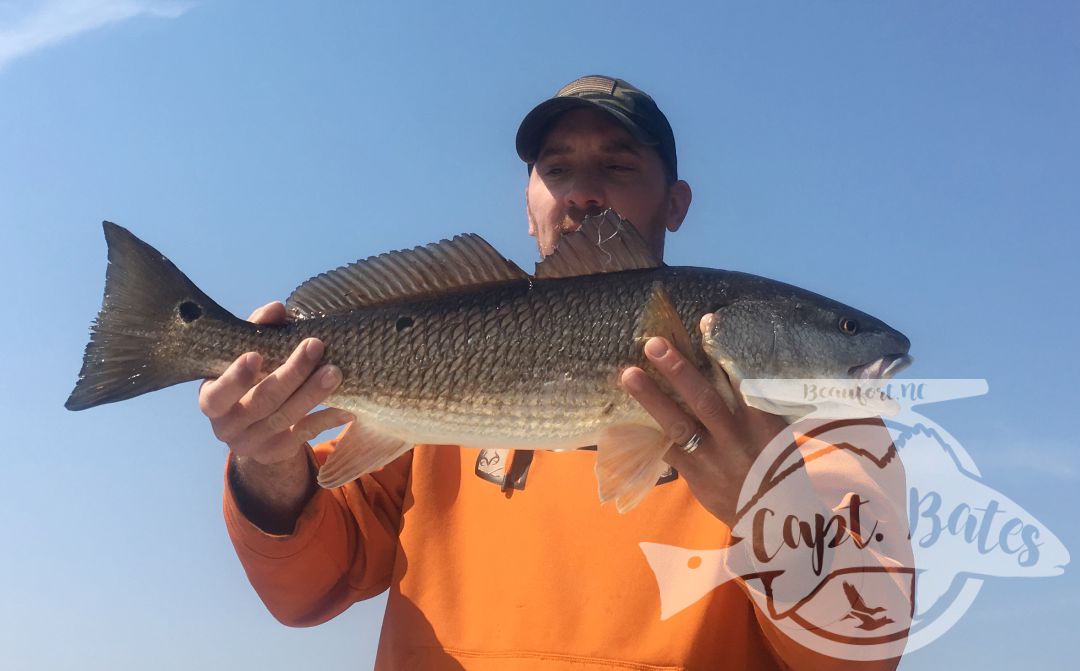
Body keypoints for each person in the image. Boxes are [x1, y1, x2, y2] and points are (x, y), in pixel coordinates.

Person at [202, 75, 908, 670]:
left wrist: (772, 514)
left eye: (619, 165)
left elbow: (863, 647)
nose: (583, 192)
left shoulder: (829, 430)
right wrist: (268, 465)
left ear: (677, 201)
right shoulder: (428, 391)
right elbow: (309, 588)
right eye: (556, 168)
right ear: (530, 197)